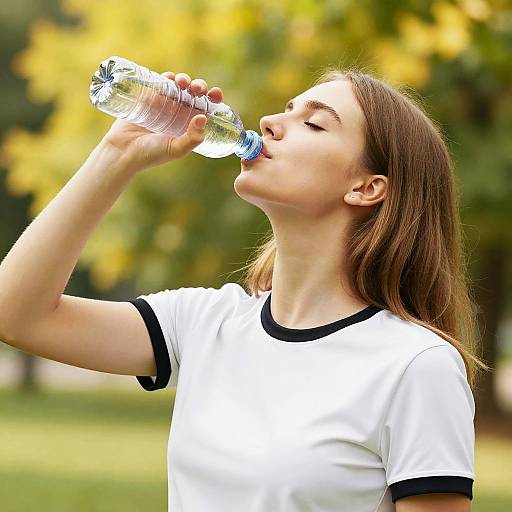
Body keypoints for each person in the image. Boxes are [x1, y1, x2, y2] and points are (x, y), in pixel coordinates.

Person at [0, 68, 488, 512]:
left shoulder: (415, 366)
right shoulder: (204, 323)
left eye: (314, 124)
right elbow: (16, 314)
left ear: (367, 188)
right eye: (286, 110)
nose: (272, 122)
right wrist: (116, 156)